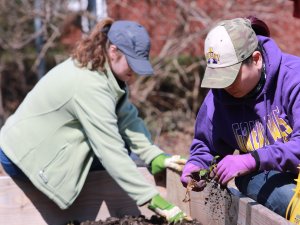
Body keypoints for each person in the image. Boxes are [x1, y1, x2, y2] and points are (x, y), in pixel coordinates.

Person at [0, 18, 189, 223]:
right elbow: (109, 150)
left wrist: (154, 156)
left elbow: (127, 118)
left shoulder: (106, 72)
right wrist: (153, 200)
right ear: (114, 51)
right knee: (117, 155)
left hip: (44, 142)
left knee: (123, 152)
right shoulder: (89, 84)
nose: (134, 72)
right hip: (24, 155)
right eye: (132, 63)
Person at [180, 17, 300, 218]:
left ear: (256, 59)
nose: (226, 86)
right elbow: (206, 145)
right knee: (248, 178)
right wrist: (197, 164)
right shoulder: (218, 99)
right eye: (219, 78)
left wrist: (253, 159)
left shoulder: (293, 78)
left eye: (231, 76)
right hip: (278, 179)